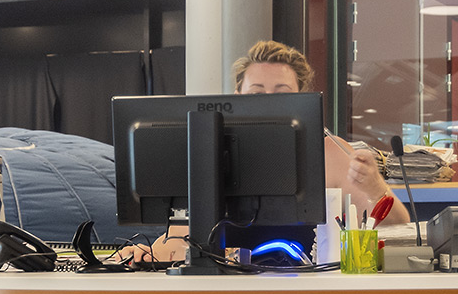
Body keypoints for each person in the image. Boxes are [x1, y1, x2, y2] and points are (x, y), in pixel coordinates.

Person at [129, 40, 410, 263]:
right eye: (256, 93)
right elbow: (180, 235)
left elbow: (397, 224)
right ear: (237, 98)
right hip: (221, 291)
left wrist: (375, 187)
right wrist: (149, 252)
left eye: (281, 92)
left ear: (301, 98)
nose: (267, 103)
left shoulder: (329, 152)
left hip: (304, 293)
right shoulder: (206, 154)